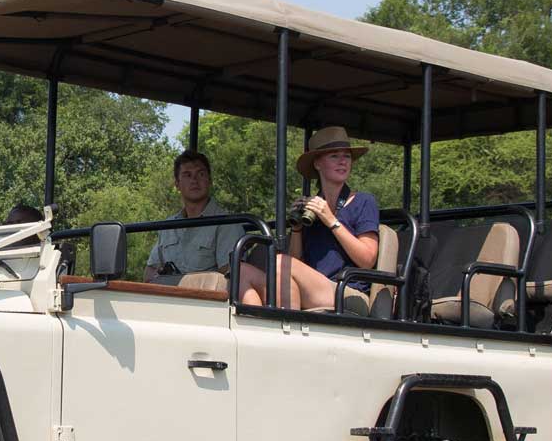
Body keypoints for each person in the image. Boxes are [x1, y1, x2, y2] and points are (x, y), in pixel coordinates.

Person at [238, 126, 379, 310]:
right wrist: (297, 228)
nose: (342, 161)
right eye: (334, 156)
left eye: (347, 156)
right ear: (317, 163)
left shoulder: (364, 201)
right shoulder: (311, 210)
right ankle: (260, 324)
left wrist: (331, 221)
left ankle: (286, 324)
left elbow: (367, 260)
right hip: (311, 287)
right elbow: (295, 261)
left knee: (280, 263)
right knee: (241, 271)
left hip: (347, 290)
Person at [144, 150, 242, 285]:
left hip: (204, 298)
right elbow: (150, 273)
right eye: (187, 175)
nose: (194, 180)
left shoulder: (227, 224)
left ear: (209, 180)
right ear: (177, 184)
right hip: (166, 296)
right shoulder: (167, 226)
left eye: (200, 174)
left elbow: (229, 279)